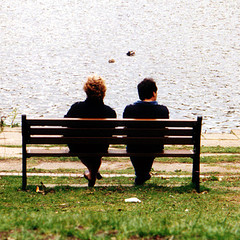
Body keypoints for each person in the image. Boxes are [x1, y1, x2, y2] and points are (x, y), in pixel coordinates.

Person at [65, 75, 116, 187]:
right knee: (96, 151)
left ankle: (91, 173)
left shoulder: (76, 108)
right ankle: (92, 172)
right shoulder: (110, 113)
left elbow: (65, 126)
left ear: (86, 91)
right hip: (100, 147)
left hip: (78, 147)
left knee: (83, 147)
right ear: (103, 92)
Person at [123, 78, 169, 185]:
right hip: (155, 146)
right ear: (153, 93)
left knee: (135, 143)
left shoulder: (129, 110)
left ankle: (141, 174)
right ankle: (142, 174)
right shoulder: (162, 110)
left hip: (134, 146)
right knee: (151, 143)